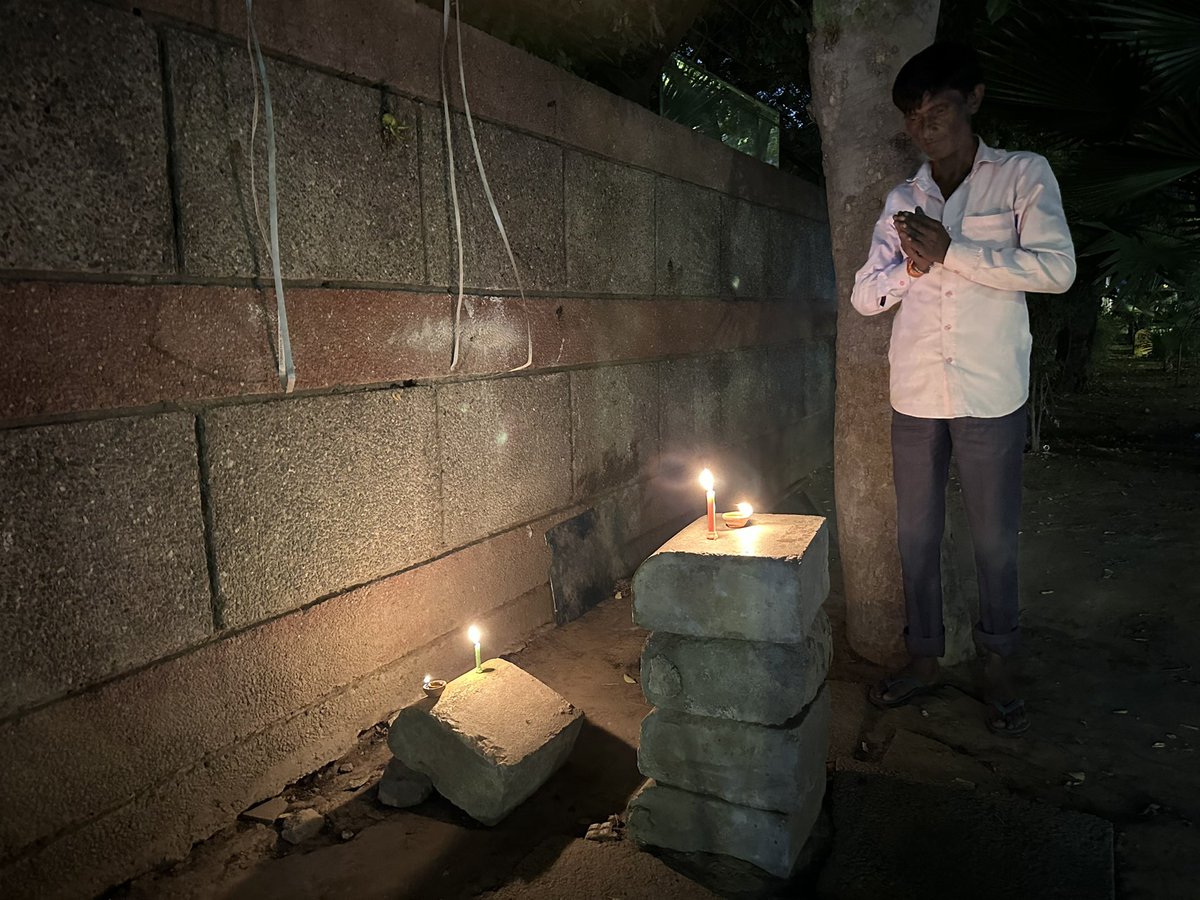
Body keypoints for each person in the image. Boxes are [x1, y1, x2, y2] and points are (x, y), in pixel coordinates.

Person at [851, 42, 1076, 736]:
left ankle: (999, 658)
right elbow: (865, 298)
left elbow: (1056, 271)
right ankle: (924, 657)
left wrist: (955, 252)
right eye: (914, 116)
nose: (927, 125)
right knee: (917, 534)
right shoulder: (903, 198)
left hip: (989, 393)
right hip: (916, 392)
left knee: (994, 536)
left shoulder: (1021, 178)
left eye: (938, 108)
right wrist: (910, 273)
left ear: (972, 100)